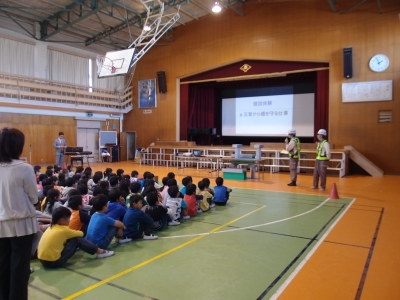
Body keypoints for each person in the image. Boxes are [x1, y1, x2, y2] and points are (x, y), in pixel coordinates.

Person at [0, 127, 38, 300]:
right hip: (21, 224)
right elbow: (33, 197)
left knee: (3, 266)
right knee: (19, 269)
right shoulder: (24, 168)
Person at [37, 207, 113, 268]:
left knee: (69, 239)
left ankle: (98, 251)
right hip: (54, 262)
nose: (70, 220)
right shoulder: (63, 230)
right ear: (62, 221)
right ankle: (100, 251)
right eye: (69, 218)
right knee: (77, 239)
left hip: (42, 260)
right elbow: (80, 234)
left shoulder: (51, 227)